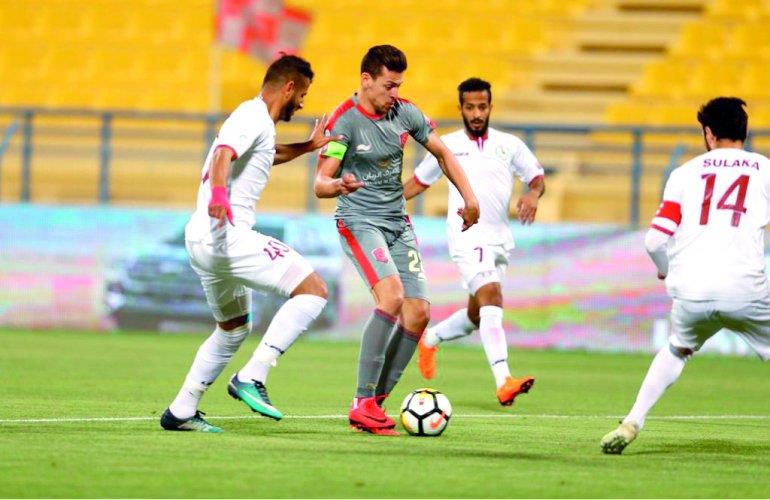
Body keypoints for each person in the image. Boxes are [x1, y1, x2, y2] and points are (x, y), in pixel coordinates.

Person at [160, 54, 336, 432]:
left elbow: (268, 154)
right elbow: (224, 154)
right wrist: (218, 195)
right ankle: (253, 375)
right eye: (302, 95)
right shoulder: (251, 115)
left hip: (204, 240)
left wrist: (309, 146)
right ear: (289, 87)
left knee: (234, 328)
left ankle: (181, 410)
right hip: (226, 235)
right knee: (314, 290)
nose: (302, 103)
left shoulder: (259, 125)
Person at [314, 45, 480, 435]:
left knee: (418, 313)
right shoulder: (345, 121)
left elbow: (444, 153)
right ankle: (361, 402)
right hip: (359, 221)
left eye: (399, 86)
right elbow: (321, 182)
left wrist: (470, 198)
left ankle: (376, 403)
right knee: (391, 297)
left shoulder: (406, 113)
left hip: (397, 224)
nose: (395, 93)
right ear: (366, 79)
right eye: (389, 85)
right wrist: (338, 185)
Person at [601, 97, 770, 454]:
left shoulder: (684, 174)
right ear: (744, 131)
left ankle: (632, 420)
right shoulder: (763, 169)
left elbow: (654, 241)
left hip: (691, 291)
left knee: (677, 349)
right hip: (746, 289)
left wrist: (666, 271)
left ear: (708, 133)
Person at [403, 77, 545, 406]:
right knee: (491, 295)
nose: (477, 113)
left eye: (482, 107)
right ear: (461, 109)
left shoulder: (509, 145)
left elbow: (537, 177)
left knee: (476, 315)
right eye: (470, 107)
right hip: (467, 236)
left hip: (499, 239)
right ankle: (504, 380)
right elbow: (419, 182)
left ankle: (431, 339)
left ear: (491, 107)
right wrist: (385, 203)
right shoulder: (447, 145)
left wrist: (533, 194)